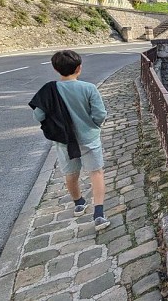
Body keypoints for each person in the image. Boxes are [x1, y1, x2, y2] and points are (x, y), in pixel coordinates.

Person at [29, 50, 110, 231]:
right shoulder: (89, 88)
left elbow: (38, 116)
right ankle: (98, 214)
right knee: (96, 173)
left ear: (56, 69)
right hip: (89, 138)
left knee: (71, 173)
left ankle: (79, 203)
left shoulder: (49, 90)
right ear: (79, 68)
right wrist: (92, 125)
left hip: (64, 140)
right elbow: (100, 114)